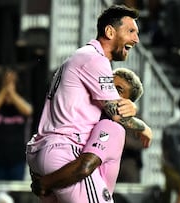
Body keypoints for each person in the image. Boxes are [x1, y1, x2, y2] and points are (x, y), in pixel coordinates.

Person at [26, 5, 152, 203]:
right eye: (131, 31)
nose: (136, 39)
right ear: (110, 31)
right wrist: (143, 127)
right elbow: (117, 114)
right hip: (65, 153)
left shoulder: (80, 57)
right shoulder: (95, 59)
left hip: (46, 150)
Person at [29, 67, 145, 201]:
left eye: (118, 90)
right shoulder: (83, 119)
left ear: (127, 103)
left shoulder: (110, 127)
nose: (108, 91)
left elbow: (84, 167)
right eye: (107, 85)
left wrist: (44, 183)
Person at [0, 69, 33, 180]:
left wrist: (12, 92)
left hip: (17, 160)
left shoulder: (22, 103)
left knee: (15, 195)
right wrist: (5, 88)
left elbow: (28, 111)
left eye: (12, 83)